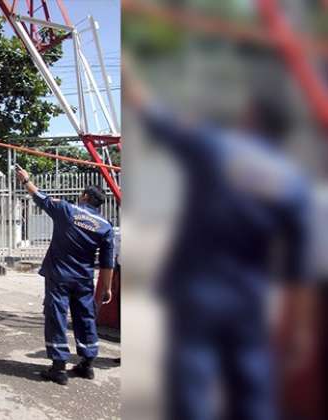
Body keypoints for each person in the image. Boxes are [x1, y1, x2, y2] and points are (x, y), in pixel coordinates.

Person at [123, 55, 312, 419]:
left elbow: (151, 112)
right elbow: (300, 270)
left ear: (251, 117)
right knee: (254, 386)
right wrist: (301, 331)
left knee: (193, 387)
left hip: (197, 293)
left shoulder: (215, 149)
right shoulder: (294, 185)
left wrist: (129, 71)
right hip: (250, 297)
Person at [15, 168, 115, 385]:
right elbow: (108, 263)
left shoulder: (67, 210)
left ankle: (58, 368)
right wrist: (106, 288)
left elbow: (40, 197)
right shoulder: (105, 227)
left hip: (59, 276)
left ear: (85, 197)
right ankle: (87, 364)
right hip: (84, 280)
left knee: (57, 317)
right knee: (85, 317)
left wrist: (26, 180)